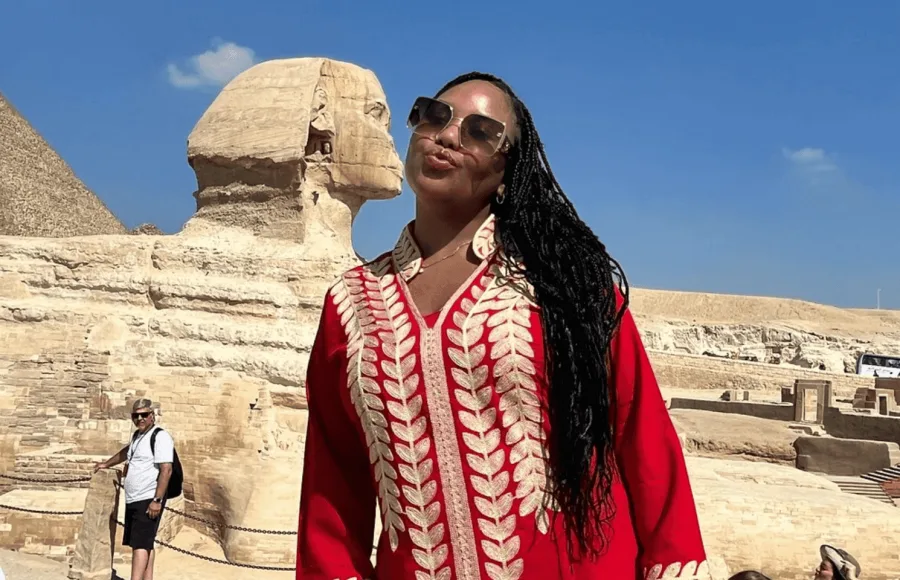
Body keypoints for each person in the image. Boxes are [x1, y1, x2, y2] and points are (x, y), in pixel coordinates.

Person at [296, 72, 710, 580]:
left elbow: (641, 433)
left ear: (508, 169)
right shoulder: (352, 302)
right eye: (434, 116)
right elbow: (333, 478)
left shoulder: (566, 284)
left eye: (480, 131)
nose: (447, 135)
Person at [94, 399, 174, 580]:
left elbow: (166, 470)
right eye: (136, 416)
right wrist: (107, 464)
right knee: (145, 543)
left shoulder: (160, 436)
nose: (140, 419)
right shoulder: (138, 436)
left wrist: (157, 500)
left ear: (152, 416)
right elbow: (127, 452)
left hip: (148, 498)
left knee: (140, 545)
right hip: (134, 499)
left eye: (144, 415)